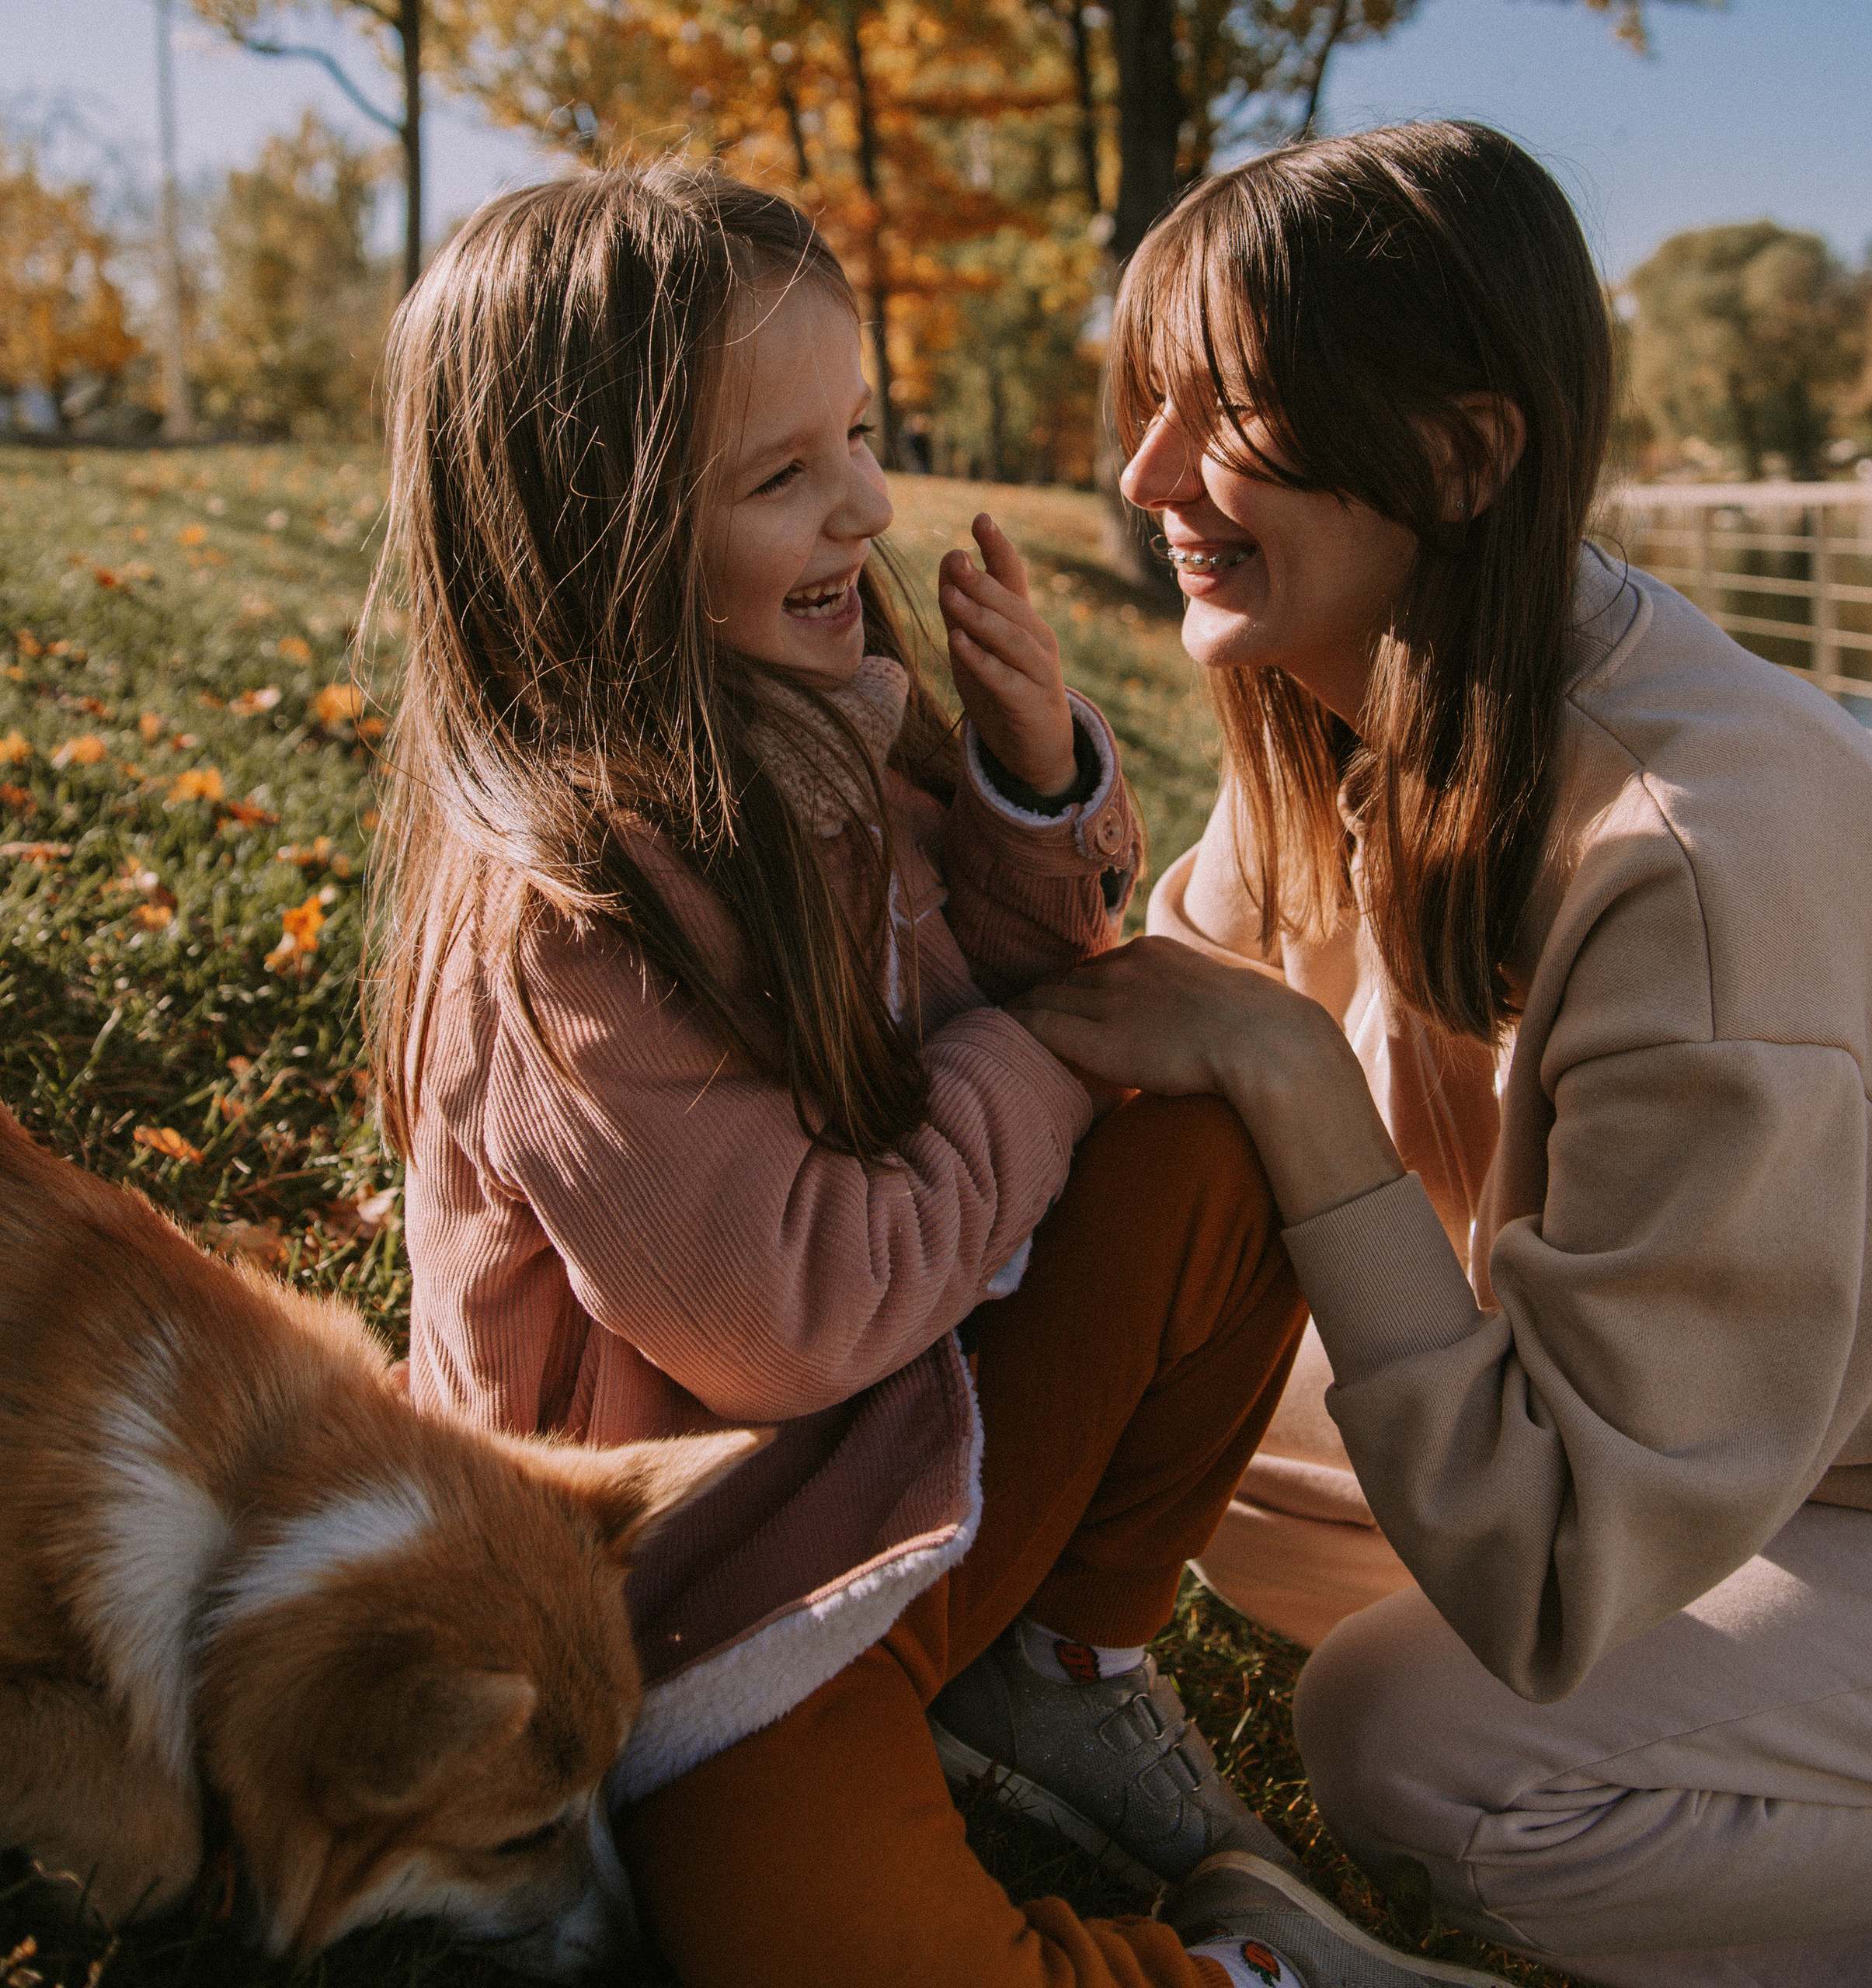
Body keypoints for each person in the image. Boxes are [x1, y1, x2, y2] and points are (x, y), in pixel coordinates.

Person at [367, 162, 1495, 1988]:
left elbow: (1007, 989)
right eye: (783, 475)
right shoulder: (558, 933)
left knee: (1212, 1150)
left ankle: (1054, 1661)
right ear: (594, 535)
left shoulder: (822, 723)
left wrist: (1029, 788)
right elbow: (797, 1316)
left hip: (907, 1452)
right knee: (815, 1931)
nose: (870, 504)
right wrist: (1035, 1058)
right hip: (696, 1600)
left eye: (859, 437)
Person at [1015, 122, 1872, 1986]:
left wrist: (1299, 1085)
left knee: (1416, 1736)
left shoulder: (1697, 866)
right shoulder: (1359, 698)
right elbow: (1166, 1002)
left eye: (1228, 413)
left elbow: (1545, 1567)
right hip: (1739, 1452)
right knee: (1212, 1440)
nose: (1145, 476)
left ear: (1462, 455)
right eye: (1149, 402)